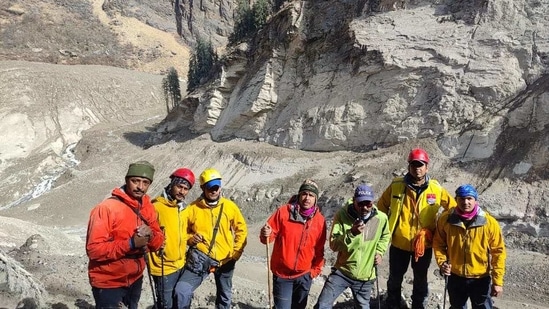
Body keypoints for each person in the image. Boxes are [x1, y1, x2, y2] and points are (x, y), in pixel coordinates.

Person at [377, 148, 456, 309]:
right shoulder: (397, 185)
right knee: (395, 277)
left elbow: (453, 209)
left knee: (421, 278)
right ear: (409, 167)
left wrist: (444, 230)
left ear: (427, 167)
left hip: (423, 245)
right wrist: (381, 230)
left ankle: (418, 305)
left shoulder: (435, 188)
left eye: (420, 165)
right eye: (414, 165)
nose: (417, 168)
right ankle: (393, 303)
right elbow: (381, 207)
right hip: (399, 243)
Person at [86, 161, 165, 309]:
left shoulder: (147, 206)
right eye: (135, 181)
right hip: (109, 280)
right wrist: (131, 244)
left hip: (135, 277)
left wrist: (151, 235)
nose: (140, 187)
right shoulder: (106, 208)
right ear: (126, 180)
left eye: (145, 183)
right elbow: (94, 250)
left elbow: (159, 242)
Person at [175, 168, 248, 309]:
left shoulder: (230, 207)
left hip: (226, 259)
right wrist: (190, 239)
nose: (214, 191)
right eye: (210, 188)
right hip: (199, 260)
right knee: (181, 290)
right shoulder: (192, 209)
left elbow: (241, 229)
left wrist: (236, 253)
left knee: (224, 295)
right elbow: (180, 231)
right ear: (203, 188)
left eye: (216, 187)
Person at [315, 184, 391, 309]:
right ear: (354, 200)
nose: (365, 207)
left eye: (368, 204)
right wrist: (352, 233)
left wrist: (380, 252)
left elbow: (385, 236)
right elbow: (334, 245)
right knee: (322, 305)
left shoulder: (381, 218)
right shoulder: (342, 215)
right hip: (343, 271)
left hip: (366, 275)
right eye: (360, 203)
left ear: (373, 202)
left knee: (363, 306)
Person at [433, 184, 506, 309]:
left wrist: (497, 281)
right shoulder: (446, 219)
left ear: (475, 200)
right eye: (461, 198)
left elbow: (498, 252)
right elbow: (438, 244)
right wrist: (442, 263)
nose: (465, 202)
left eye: (469, 198)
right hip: (455, 276)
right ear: (456, 200)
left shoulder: (489, 222)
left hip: (480, 278)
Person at [260, 179, 327, 309]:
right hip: (282, 275)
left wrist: (313, 272)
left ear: (316, 199)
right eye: (304, 194)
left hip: (304, 276)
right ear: (299, 195)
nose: (307, 198)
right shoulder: (283, 212)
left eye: (311, 195)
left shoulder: (320, 221)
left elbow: (319, 250)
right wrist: (265, 233)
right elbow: (267, 239)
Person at [148, 168, 196, 309]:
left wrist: (190, 238)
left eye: (186, 188)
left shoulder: (183, 209)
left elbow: (181, 234)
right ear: (172, 184)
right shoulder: (156, 207)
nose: (182, 191)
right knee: (166, 304)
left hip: (180, 264)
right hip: (162, 266)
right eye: (179, 186)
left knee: (177, 301)